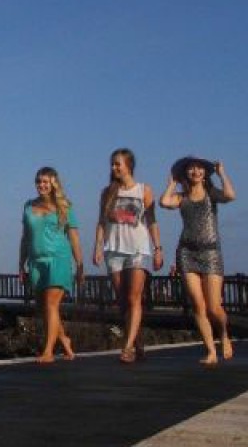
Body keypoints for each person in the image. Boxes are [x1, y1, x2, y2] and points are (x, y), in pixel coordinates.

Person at [160, 156, 237, 365]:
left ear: (205, 173)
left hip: (211, 253)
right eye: (191, 169)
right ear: (186, 172)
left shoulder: (211, 194)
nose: (195, 171)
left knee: (213, 307)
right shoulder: (182, 196)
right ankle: (210, 350)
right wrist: (172, 184)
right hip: (187, 253)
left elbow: (230, 195)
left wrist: (222, 174)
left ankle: (223, 334)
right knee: (198, 305)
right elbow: (164, 202)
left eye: (199, 168)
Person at [91, 148, 162, 364]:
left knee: (134, 298)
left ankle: (128, 346)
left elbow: (151, 221)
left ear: (128, 166)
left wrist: (158, 248)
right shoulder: (107, 192)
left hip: (138, 248)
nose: (113, 168)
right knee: (122, 302)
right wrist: (97, 246)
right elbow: (102, 222)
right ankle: (137, 341)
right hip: (114, 250)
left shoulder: (144, 190)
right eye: (112, 164)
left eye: (117, 164)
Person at [18, 166, 83, 363]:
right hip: (36, 261)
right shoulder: (28, 206)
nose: (41, 185)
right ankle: (64, 339)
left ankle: (48, 351)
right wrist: (21, 264)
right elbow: (25, 237)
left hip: (58, 258)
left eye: (45, 181)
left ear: (53, 183)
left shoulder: (64, 206)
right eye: (38, 181)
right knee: (43, 308)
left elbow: (73, 238)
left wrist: (80, 264)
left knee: (51, 304)